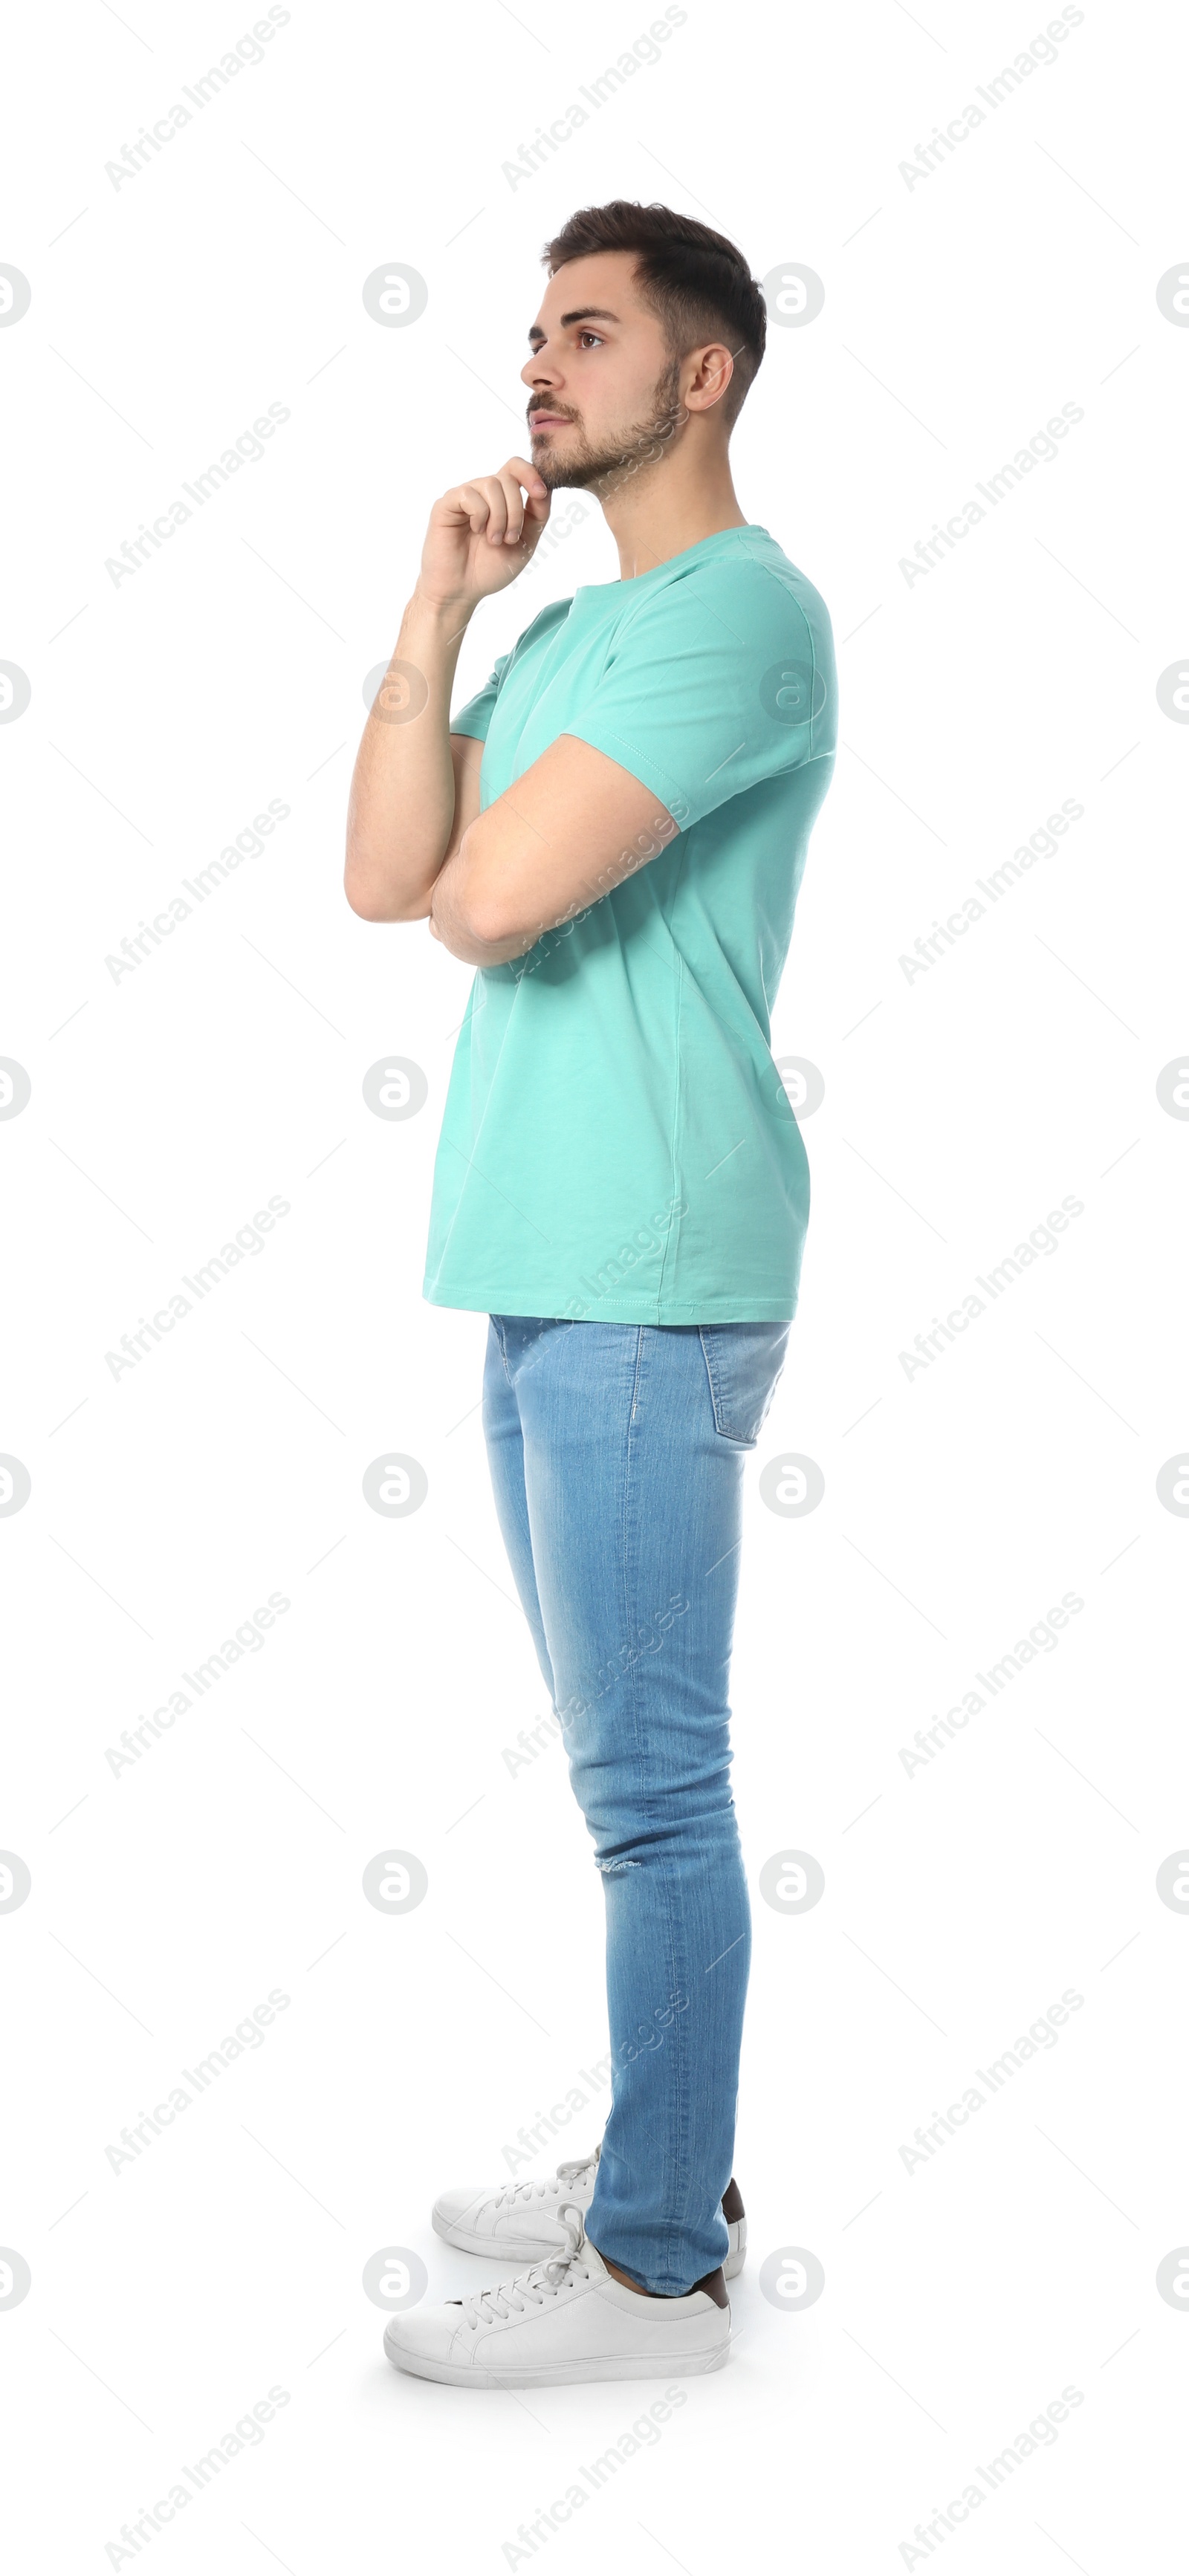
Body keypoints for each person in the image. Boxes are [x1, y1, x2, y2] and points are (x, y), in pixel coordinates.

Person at [345, 198, 837, 2387]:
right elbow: (392, 876)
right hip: (540, 1269)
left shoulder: (745, 618)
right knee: (619, 1776)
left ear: (701, 372)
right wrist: (443, 610)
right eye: (530, 335)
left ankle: (657, 2270)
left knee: (657, 1791)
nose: (535, 371)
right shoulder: (561, 634)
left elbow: (493, 899)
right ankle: (670, 2155)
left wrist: (475, 854)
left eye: (587, 335)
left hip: (650, 1265)